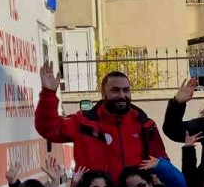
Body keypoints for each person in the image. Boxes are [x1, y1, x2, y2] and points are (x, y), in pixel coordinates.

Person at [35, 62, 168, 177]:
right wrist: (48, 93)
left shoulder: (145, 124)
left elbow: (162, 163)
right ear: (103, 93)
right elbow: (49, 129)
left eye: (126, 90)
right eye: (115, 90)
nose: (122, 95)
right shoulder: (83, 122)